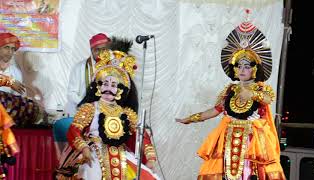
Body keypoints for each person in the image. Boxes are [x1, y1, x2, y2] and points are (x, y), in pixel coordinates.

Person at [176, 22, 286, 180]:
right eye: (239, 66)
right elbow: (214, 111)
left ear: (254, 69)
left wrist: (252, 94)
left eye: (246, 66)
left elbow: (267, 99)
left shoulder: (261, 89)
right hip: (228, 140)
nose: (242, 70)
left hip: (252, 143)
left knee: (248, 174)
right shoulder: (229, 91)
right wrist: (190, 119)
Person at [55, 38, 159, 180]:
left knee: (148, 177)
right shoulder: (90, 108)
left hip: (121, 154)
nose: (109, 88)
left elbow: (142, 137)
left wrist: (151, 158)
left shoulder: (126, 114)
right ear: (98, 87)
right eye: (105, 83)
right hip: (93, 151)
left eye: (114, 85)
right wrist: (84, 148)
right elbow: (74, 130)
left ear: (120, 91)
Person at [66, 33, 112, 116]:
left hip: (104, 113)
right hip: (80, 112)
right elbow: (71, 93)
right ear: (91, 51)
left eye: (104, 49)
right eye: (97, 50)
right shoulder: (79, 67)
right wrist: (86, 105)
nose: (101, 53)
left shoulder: (113, 68)